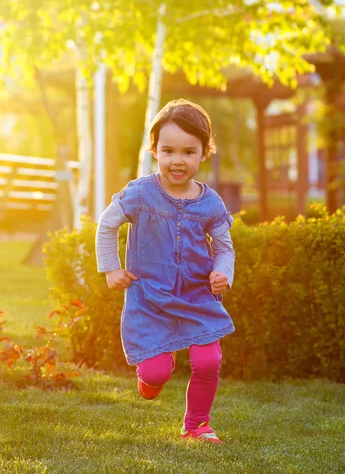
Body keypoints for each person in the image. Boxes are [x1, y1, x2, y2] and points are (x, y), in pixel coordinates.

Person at [95, 98, 235, 445]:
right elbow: (107, 226)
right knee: (156, 371)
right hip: (150, 296)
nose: (178, 161)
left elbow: (224, 247)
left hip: (196, 295)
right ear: (155, 150)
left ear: (204, 152)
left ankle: (197, 424)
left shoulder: (210, 202)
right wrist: (111, 269)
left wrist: (222, 272)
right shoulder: (140, 193)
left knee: (208, 361)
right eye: (169, 150)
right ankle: (153, 374)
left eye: (189, 152)